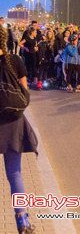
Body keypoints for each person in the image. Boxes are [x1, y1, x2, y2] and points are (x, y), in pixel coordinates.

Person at [0, 26, 38, 234]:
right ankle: (22, 220)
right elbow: (25, 91)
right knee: (15, 173)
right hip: (13, 121)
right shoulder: (15, 61)